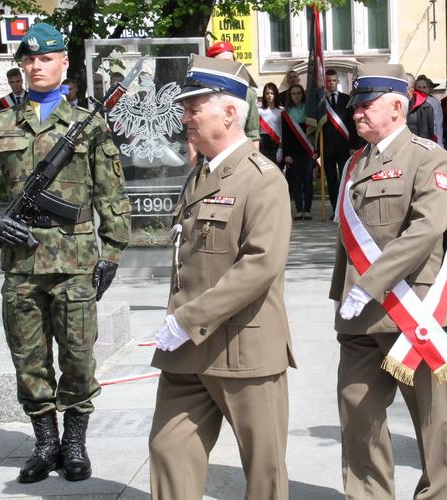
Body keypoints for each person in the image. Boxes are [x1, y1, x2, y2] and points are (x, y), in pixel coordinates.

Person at [0, 23, 131, 483]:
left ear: (63, 63)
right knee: (29, 361)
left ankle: (74, 444)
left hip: (76, 264)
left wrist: (113, 253)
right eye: (29, 60)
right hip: (21, 266)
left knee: (78, 358)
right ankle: (44, 444)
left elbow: (111, 194)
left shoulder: (88, 125)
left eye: (46, 58)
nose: (36, 66)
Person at [149, 55, 294, 499]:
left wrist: (187, 319)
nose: (185, 118)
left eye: (194, 109)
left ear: (230, 112)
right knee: (169, 449)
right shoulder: (200, 174)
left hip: (242, 348)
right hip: (187, 352)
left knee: (264, 471)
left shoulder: (262, 179)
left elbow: (260, 263)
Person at [330, 62, 447, 499]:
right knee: (357, 410)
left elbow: (427, 229)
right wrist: (346, 292)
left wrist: (370, 282)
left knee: (430, 418)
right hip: (359, 315)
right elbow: (348, 239)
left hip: (411, 309)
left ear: (396, 108)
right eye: (356, 106)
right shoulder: (354, 162)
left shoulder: (427, 156)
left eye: (366, 105)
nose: (357, 113)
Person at [206, 41, 260, 148]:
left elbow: (253, 133)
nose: (226, 66)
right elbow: (193, 135)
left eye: (229, 62)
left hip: (238, 153)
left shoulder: (248, 93)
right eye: (221, 63)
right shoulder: (203, 92)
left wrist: (254, 157)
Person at [323, 68, 361, 212]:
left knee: (345, 179)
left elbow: (352, 124)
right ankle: (335, 210)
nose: (331, 83)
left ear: (338, 81)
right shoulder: (321, 102)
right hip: (327, 147)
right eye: (328, 81)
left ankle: (345, 208)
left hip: (344, 146)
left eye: (334, 80)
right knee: (331, 180)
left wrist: (354, 144)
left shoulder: (346, 99)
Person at [282, 83, 315, 220]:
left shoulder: (309, 111)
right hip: (293, 152)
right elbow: (285, 135)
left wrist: (316, 150)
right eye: (293, 93)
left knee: (308, 180)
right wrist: (286, 154)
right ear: (290, 96)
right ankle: (299, 210)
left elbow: (315, 132)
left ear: (303, 94)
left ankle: (307, 210)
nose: (296, 96)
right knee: (295, 181)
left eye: (298, 93)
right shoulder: (286, 113)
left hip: (308, 150)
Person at [259, 82, 283, 166]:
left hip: (277, 144)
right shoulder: (259, 111)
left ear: (276, 94)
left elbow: (283, 130)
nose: (269, 95)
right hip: (263, 143)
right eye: (267, 93)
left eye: (272, 93)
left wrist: (281, 148)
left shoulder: (282, 111)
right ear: (264, 95)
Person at [416, 75, 444, 146]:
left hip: (431, 138)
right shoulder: (412, 101)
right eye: (419, 87)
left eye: (424, 87)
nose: (421, 89)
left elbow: (438, 124)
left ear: (429, 89)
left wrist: (440, 143)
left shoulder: (435, 102)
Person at [405, 73, 435, 140]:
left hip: (420, 144)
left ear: (411, 91)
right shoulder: (395, 105)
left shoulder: (426, 107)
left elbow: (431, 132)